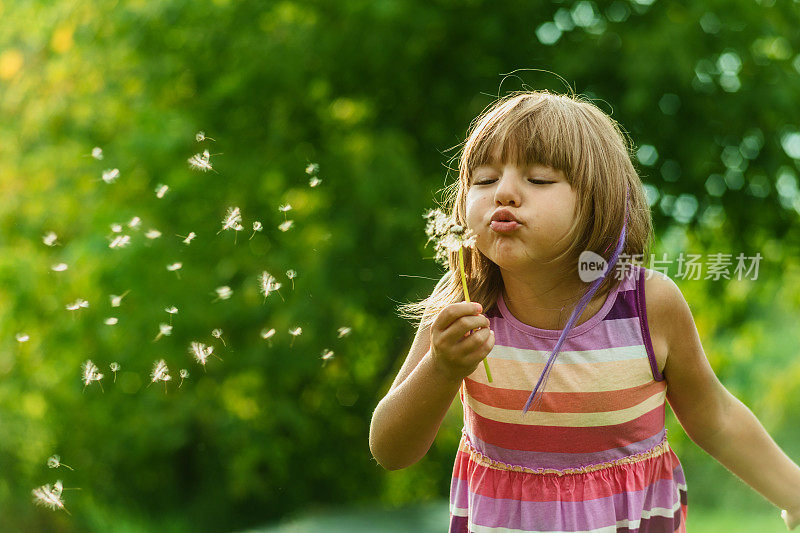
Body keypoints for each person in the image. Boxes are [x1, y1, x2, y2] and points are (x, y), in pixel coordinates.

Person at [369, 90, 800, 532]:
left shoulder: (647, 305)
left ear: (599, 200)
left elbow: (717, 420)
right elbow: (390, 449)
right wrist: (441, 368)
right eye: (483, 179)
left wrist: (794, 495)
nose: (504, 192)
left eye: (538, 179)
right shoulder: (463, 299)